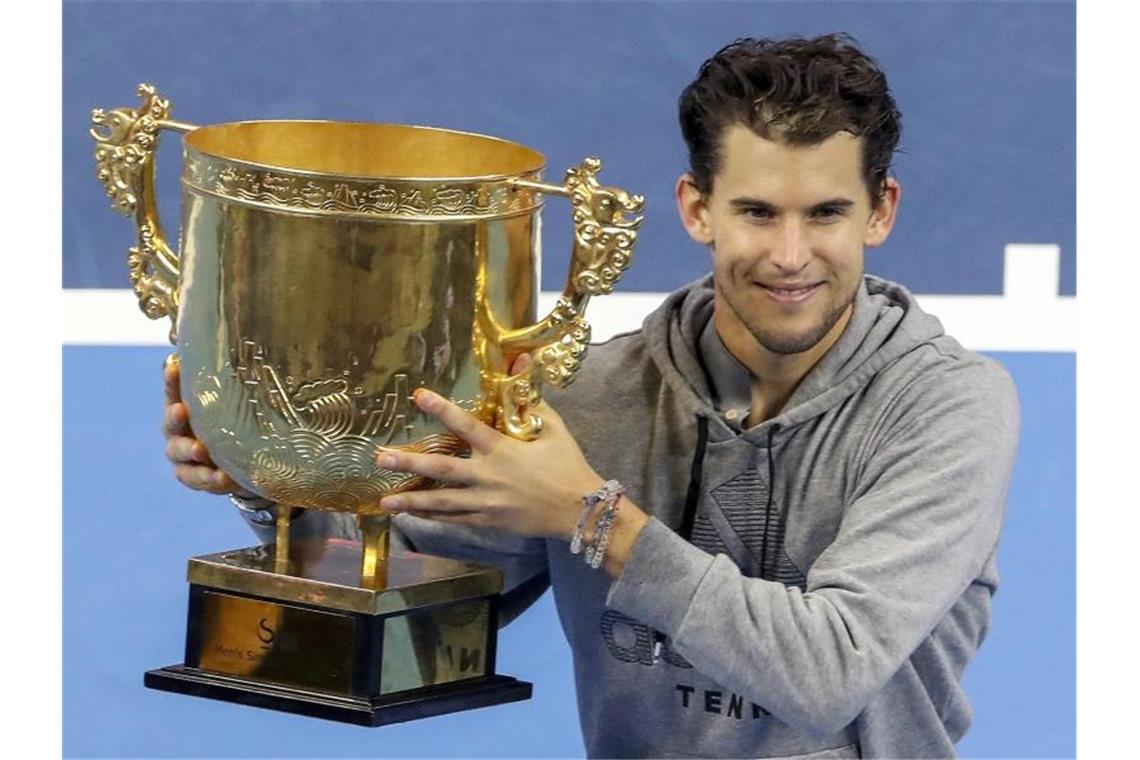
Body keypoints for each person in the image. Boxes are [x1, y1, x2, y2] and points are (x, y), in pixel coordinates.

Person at [163, 34, 1019, 759]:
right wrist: (271, 469)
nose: (790, 254)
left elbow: (828, 672)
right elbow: (423, 605)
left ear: (881, 212)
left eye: (825, 214)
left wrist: (594, 517)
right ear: (696, 209)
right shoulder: (588, 395)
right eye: (757, 212)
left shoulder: (950, 408)